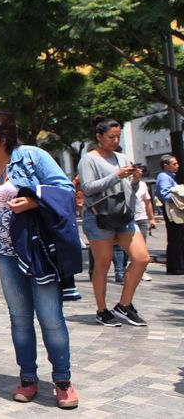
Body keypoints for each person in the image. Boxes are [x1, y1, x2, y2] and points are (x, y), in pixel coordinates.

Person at [0, 111, 79, 409]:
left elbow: (66, 191)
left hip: (39, 253)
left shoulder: (32, 157)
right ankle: (28, 378)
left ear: (2, 136)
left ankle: (62, 381)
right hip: (7, 257)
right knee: (19, 319)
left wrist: (33, 201)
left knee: (50, 318)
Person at [78, 116, 150, 327]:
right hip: (100, 216)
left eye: (118, 136)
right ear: (99, 137)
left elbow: (130, 190)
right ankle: (102, 309)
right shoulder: (89, 159)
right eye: (111, 137)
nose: (115, 140)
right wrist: (117, 176)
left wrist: (134, 180)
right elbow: (88, 188)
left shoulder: (122, 157)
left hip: (124, 215)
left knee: (142, 258)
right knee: (103, 263)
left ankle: (124, 304)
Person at [156, 155, 184, 274]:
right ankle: (176, 266)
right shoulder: (164, 177)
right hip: (172, 212)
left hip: (173, 211)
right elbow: (164, 194)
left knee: (177, 238)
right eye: (174, 164)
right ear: (165, 166)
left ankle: (176, 265)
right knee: (176, 238)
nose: (177, 166)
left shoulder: (169, 176)